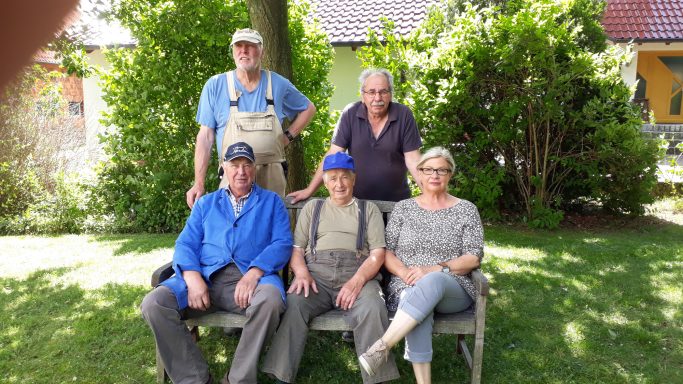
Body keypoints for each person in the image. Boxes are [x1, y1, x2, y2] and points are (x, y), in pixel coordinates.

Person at [141, 142, 293, 384]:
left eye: (246, 165)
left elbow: (283, 243)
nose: (241, 171)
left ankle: (237, 380)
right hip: (204, 278)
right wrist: (192, 278)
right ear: (224, 168)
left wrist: (254, 273)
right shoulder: (206, 204)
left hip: (250, 280)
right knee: (154, 303)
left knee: (271, 301)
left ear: (254, 169)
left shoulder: (271, 202)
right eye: (234, 165)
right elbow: (185, 244)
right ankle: (195, 379)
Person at [261, 152, 400, 384]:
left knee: (373, 306)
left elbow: (377, 254)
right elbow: (296, 249)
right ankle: (281, 376)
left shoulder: (368, 210)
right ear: (324, 181)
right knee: (295, 302)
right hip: (317, 277)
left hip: (359, 274)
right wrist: (302, 272)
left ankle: (377, 378)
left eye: (345, 177)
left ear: (354, 179)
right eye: (333, 178)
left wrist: (357, 281)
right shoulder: (313, 208)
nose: (339, 184)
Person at [357, 147, 484, 384]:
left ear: (450, 174)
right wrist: (405, 272)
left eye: (441, 170)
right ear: (420, 173)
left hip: (452, 287)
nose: (434, 175)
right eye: (428, 169)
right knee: (418, 303)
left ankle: (382, 346)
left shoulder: (466, 209)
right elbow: (387, 252)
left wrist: (435, 269)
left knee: (430, 281)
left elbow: (473, 257)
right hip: (406, 284)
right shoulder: (404, 208)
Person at [188, 28, 316, 206]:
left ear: (262, 50)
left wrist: (287, 137)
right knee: (233, 230)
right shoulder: (216, 85)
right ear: (233, 50)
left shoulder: (277, 84)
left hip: (272, 179)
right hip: (233, 178)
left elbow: (309, 109)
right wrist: (199, 182)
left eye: (250, 45)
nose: (243, 50)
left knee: (270, 229)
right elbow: (205, 136)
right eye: (238, 46)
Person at [288, 68, 422, 204]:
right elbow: (333, 155)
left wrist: (431, 195)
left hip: (396, 204)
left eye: (383, 92)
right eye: (371, 92)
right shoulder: (350, 113)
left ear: (390, 94)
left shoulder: (404, 115)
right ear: (362, 95)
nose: (377, 98)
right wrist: (310, 190)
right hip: (358, 205)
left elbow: (413, 160)